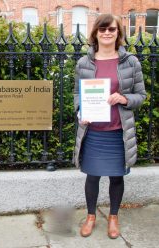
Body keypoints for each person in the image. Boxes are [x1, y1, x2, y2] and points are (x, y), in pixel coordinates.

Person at [73, 14, 146, 239]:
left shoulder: (130, 62)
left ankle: (113, 217)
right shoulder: (84, 62)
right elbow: (77, 94)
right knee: (92, 176)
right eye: (102, 29)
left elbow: (141, 96)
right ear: (95, 33)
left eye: (111, 29)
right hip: (93, 131)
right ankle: (91, 215)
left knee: (117, 176)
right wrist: (80, 112)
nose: (107, 33)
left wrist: (124, 99)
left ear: (118, 33)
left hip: (118, 131)